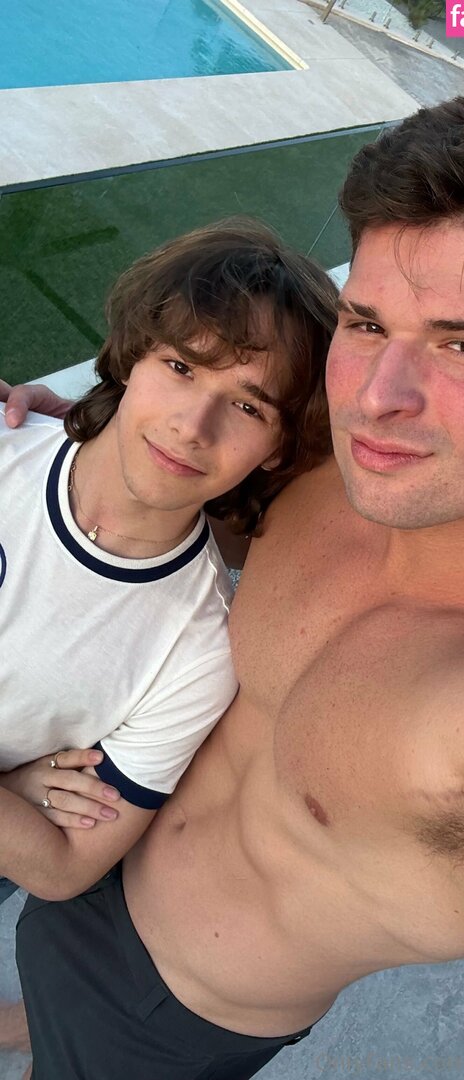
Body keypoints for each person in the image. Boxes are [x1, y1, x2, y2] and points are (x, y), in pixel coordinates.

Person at [4, 96, 464, 1080]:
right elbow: (187, 463)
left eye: (462, 344)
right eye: (366, 322)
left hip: (168, 1019)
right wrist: (74, 432)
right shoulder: (338, 469)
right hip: (89, 844)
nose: (377, 396)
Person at [0, 219, 336, 1055]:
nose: (193, 424)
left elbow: (62, 864)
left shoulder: (199, 652)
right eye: (181, 367)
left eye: (249, 405)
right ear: (131, 357)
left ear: (277, 450)